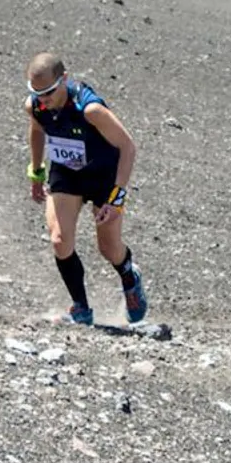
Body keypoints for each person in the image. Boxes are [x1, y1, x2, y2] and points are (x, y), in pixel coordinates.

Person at [25, 53, 148, 324]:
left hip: (104, 175)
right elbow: (37, 130)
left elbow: (128, 147)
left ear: (64, 80)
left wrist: (117, 198)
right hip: (67, 172)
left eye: (48, 92)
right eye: (36, 93)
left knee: (108, 247)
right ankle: (81, 307)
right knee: (59, 239)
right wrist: (36, 171)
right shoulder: (35, 106)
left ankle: (129, 275)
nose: (42, 99)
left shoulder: (90, 109)